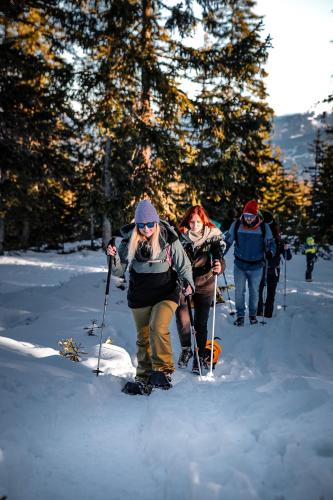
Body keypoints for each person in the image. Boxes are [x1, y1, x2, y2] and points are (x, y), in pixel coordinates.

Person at [107, 199, 195, 395]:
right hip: (140, 293)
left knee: (159, 326)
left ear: (155, 222)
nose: (145, 228)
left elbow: (184, 265)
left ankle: (163, 371)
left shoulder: (168, 238)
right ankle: (144, 376)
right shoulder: (130, 239)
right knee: (143, 336)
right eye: (141, 225)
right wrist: (112, 256)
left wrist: (188, 283)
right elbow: (119, 271)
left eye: (149, 224)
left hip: (166, 291)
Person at [175, 205, 225, 374]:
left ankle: (199, 355)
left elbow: (219, 254)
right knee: (182, 318)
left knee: (200, 322)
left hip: (205, 283)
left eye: (198, 221)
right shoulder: (181, 237)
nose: (194, 225)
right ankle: (186, 349)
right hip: (185, 282)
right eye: (191, 221)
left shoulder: (213, 236)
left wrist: (219, 265)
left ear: (203, 221)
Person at [224, 199, 276, 326]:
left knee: (254, 292)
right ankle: (240, 316)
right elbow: (228, 241)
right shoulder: (236, 225)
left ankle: (252, 315)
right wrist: (220, 253)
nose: (248, 219)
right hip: (240, 265)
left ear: (256, 215)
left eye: (251, 216)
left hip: (257, 266)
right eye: (246, 215)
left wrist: (270, 252)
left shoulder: (264, 227)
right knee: (239, 291)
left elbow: (270, 243)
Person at [257, 211, 292, 318]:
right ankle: (262, 313)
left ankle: (266, 314)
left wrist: (286, 249)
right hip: (262, 268)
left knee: (269, 293)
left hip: (272, 269)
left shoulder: (278, 240)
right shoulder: (260, 236)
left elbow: (288, 257)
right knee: (261, 293)